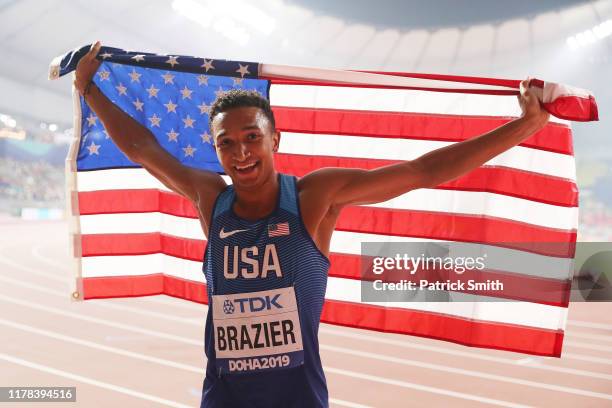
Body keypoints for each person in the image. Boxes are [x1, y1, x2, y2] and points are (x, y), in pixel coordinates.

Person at [74, 41, 550, 408]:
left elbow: (421, 172)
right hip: (223, 397)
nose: (240, 152)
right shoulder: (210, 199)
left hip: (297, 398)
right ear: (215, 149)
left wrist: (523, 127)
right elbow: (143, 149)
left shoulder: (313, 198)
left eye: (252, 137)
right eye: (226, 143)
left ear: (275, 139)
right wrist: (89, 89)